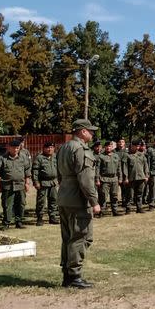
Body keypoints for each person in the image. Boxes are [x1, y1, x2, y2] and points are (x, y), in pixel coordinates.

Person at [56, 118, 100, 288]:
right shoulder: (81, 149)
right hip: (78, 200)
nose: (92, 133)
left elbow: (59, 174)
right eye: (90, 131)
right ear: (82, 131)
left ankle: (67, 274)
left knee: (68, 237)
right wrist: (94, 201)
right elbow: (86, 180)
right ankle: (74, 276)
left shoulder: (63, 148)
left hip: (65, 197)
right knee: (81, 237)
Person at [0, 139, 32, 229]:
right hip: (8, 185)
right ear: (9, 148)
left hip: (20, 185)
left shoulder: (23, 158)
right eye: (13, 148)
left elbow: (27, 171)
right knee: (7, 204)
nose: (15, 150)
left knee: (21, 203)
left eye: (17, 148)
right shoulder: (2, 158)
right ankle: (6, 222)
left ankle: (19, 222)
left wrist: (27, 183)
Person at [32, 141, 59, 225]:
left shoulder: (55, 157)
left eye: (51, 147)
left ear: (54, 148)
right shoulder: (39, 158)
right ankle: (40, 218)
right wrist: (36, 182)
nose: (49, 149)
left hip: (53, 182)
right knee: (41, 201)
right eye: (47, 148)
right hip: (43, 182)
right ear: (44, 148)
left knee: (53, 200)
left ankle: (52, 217)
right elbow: (35, 171)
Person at [96, 140, 122, 216]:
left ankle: (115, 210)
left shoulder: (116, 156)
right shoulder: (101, 156)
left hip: (114, 179)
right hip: (104, 179)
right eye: (107, 146)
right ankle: (102, 211)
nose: (108, 147)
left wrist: (120, 178)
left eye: (110, 146)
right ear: (105, 147)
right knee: (103, 195)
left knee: (114, 195)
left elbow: (119, 168)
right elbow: (97, 169)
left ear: (112, 147)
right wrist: (97, 179)